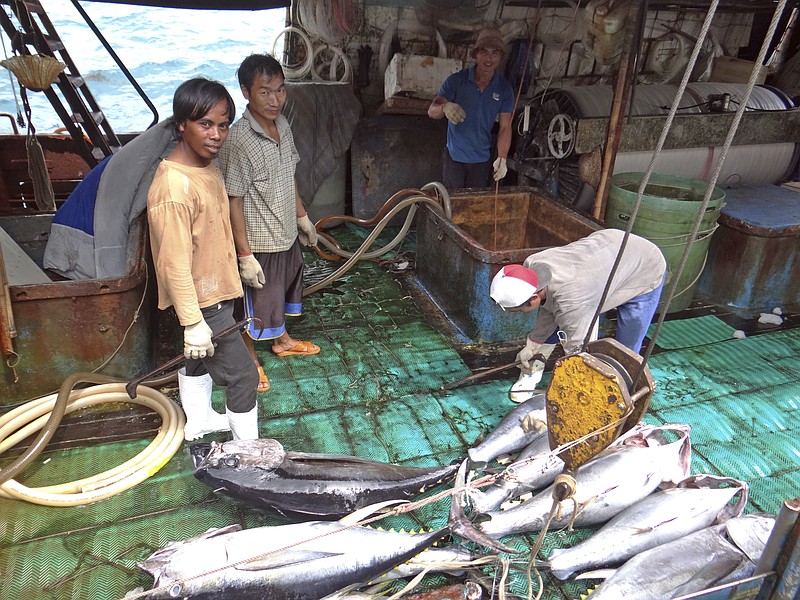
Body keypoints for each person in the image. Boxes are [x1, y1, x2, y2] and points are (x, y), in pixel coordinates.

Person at [147, 77, 260, 440]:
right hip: (202, 299)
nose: (216, 135)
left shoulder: (206, 166)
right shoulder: (173, 188)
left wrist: (243, 257)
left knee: (199, 358)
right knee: (243, 376)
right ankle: (249, 453)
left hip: (217, 286)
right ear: (181, 124)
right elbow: (173, 264)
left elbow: (215, 223)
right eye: (205, 124)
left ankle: (198, 421)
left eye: (223, 125)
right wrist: (193, 322)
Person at [218, 53, 320, 394]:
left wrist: (302, 216)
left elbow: (289, 174)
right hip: (259, 241)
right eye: (265, 92)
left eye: (280, 90)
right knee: (255, 308)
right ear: (246, 92)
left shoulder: (283, 125)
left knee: (280, 294)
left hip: (285, 234)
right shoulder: (238, 140)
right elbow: (233, 200)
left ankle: (282, 341)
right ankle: (250, 358)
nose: (274, 100)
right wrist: (244, 255)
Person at [490, 229, 667, 403]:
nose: (520, 313)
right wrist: (533, 347)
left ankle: (619, 391)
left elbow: (581, 350)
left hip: (644, 265)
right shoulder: (533, 265)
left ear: (534, 297)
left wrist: (573, 385)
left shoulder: (573, 302)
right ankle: (534, 367)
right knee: (557, 310)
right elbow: (548, 308)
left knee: (626, 350)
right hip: (608, 244)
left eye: (519, 310)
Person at [428, 28, 514, 189]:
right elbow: (432, 110)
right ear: (475, 54)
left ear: (501, 57)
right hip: (454, 158)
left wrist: (502, 158)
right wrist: (445, 107)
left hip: (481, 161)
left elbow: (505, 127)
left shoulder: (504, 89)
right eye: (484, 52)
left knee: (473, 207)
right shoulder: (456, 81)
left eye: (495, 53)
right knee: (452, 207)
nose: (489, 58)